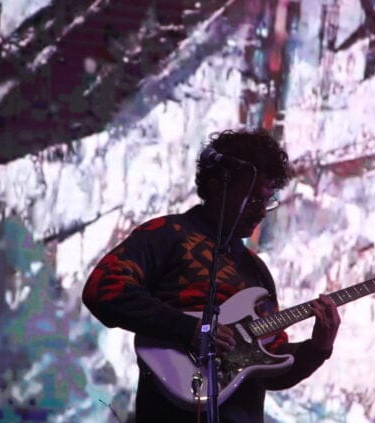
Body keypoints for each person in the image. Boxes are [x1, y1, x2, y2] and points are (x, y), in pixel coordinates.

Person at [82, 129, 341, 422]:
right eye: (252, 200)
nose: (261, 212)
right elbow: (103, 288)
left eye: (267, 201)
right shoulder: (167, 234)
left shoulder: (257, 272)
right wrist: (190, 329)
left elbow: (269, 370)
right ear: (219, 188)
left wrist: (318, 348)